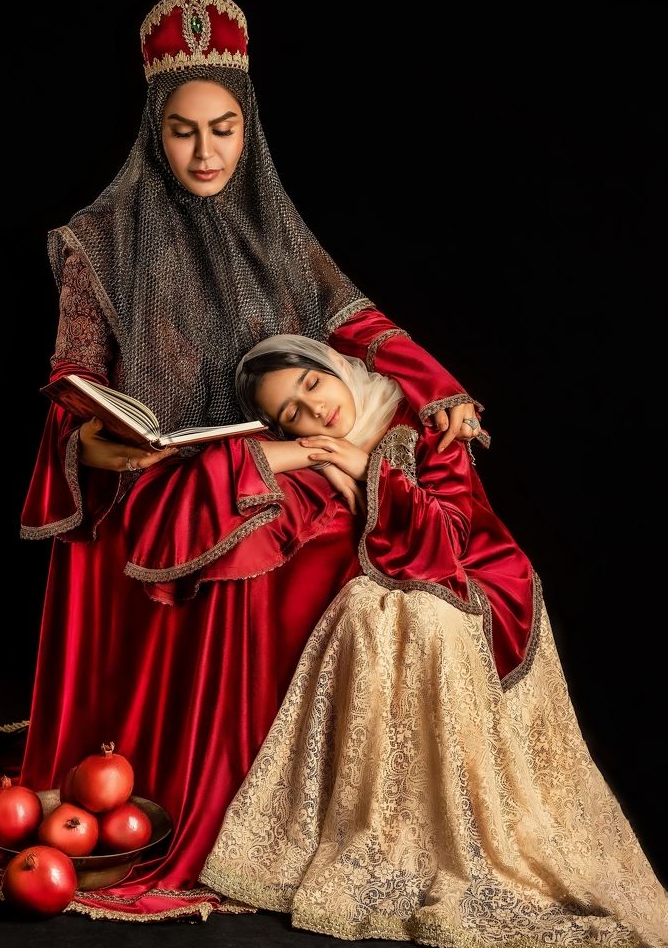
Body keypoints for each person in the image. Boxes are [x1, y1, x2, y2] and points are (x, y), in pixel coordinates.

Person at [0, 0, 498, 924]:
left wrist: (442, 387)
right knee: (241, 542)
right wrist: (100, 443)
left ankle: (294, 805)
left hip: (265, 465)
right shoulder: (98, 241)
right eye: (182, 131)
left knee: (345, 528)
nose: (205, 152)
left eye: (223, 129)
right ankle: (197, 797)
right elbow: (71, 382)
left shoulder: (279, 230)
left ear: (249, 131)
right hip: (158, 478)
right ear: (151, 133)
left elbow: (361, 321)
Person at [198, 334, 668, 946]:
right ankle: (385, 829)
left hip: (482, 577)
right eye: (292, 415)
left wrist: (366, 469)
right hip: (408, 579)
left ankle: (461, 838)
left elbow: (447, 539)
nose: (315, 414)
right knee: (366, 607)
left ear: (334, 367)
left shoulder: (424, 422)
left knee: (416, 617)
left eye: (312, 386)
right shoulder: (318, 453)